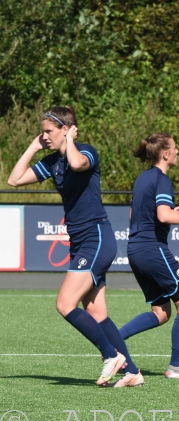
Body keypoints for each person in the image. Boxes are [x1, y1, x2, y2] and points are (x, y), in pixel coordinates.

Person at [7, 106, 140, 387]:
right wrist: (32, 146)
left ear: (66, 130)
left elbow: (78, 164)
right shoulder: (52, 162)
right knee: (96, 312)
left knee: (65, 303)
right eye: (42, 132)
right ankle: (133, 372)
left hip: (96, 238)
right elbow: (14, 180)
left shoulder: (86, 151)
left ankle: (110, 355)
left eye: (49, 131)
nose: (45, 136)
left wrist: (68, 141)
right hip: (80, 242)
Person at [119, 132, 179, 379]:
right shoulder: (162, 179)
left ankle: (113, 341)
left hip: (135, 250)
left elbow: (135, 216)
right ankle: (176, 368)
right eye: (175, 148)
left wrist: (172, 214)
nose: (177, 151)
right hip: (152, 249)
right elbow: (162, 216)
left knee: (161, 313)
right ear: (165, 153)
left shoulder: (142, 178)